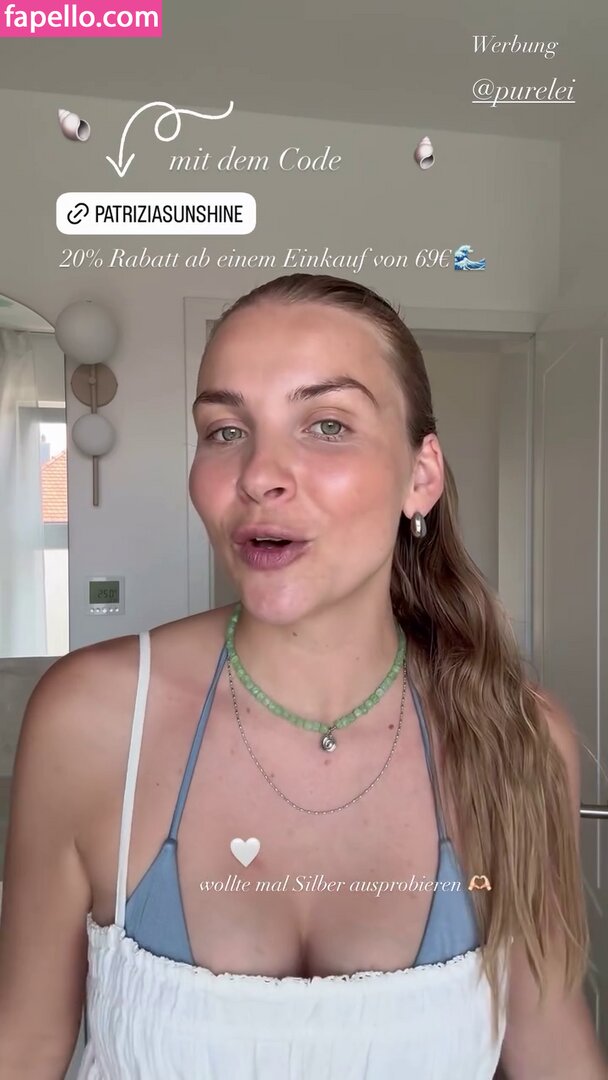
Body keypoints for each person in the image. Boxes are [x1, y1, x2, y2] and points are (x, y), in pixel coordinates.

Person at [0, 272, 606, 1079]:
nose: (258, 473)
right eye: (225, 430)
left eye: (326, 425)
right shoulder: (94, 722)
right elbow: (24, 1046)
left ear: (421, 476)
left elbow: (555, 1054)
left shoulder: (520, 741)